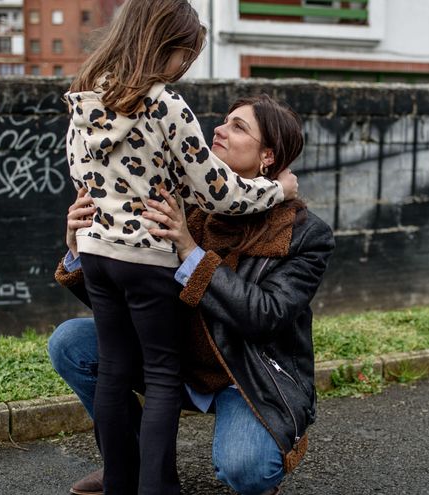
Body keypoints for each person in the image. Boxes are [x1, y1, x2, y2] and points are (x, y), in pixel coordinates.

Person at [63, 1, 297, 493]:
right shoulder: (165, 104)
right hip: (146, 257)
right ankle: (157, 488)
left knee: (115, 373)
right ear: (164, 45)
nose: (185, 67)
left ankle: (120, 482)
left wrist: (91, 227)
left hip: (100, 250)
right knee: (162, 376)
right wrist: (280, 190)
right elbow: (220, 192)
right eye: (185, 56)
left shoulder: (86, 96)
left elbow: (77, 171)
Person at [51, 94, 335, 495]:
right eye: (223, 121)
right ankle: (128, 462)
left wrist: (190, 252)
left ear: (268, 156)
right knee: (70, 344)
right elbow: (131, 299)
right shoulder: (185, 200)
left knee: (247, 470)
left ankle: (274, 435)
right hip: (174, 362)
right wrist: (82, 249)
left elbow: (265, 316)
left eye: (239, 127)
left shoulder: (304, 234)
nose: (218, 129)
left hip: (246, 378)